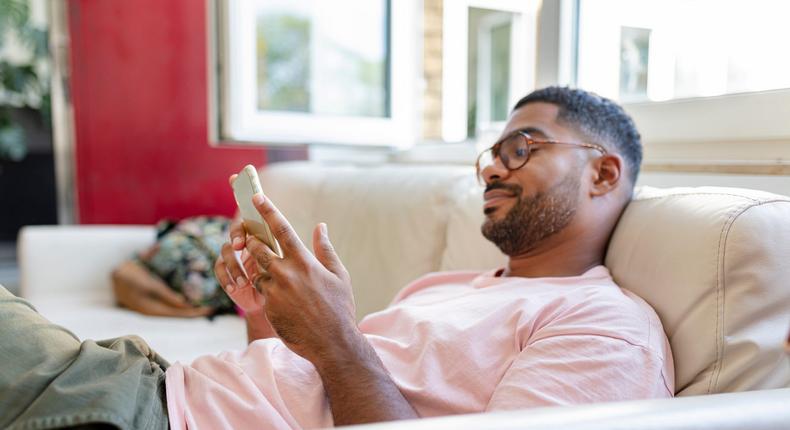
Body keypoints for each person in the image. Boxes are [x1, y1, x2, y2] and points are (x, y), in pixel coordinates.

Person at [0, 87, 673, 430]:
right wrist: (268, 320)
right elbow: (312, 396)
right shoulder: (451, 285)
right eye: (491, 154)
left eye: (522, 148)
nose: (494, 168)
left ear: (605, 174)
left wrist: (333, 335)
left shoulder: (604, 328)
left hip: (152, 414)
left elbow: (340, 369)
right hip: (163, 387)